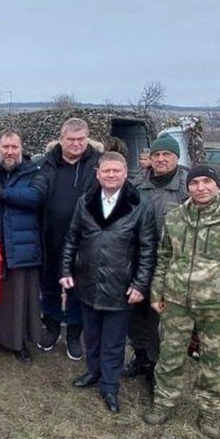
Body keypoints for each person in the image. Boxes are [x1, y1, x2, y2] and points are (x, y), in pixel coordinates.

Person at [143, 165, 220, 438]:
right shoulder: (175, 217)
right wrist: (157, 293)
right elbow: (164, 258)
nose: (201, 187)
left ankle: (208, 412)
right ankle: (163, 403)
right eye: (195, 182)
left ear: (217, 185)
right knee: (169, 355)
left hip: (217, 304)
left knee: (213, 360)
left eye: (207, 181)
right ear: (188, 187)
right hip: (176, 301)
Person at [60, 152, 157, 413]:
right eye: (106, 171)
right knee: (91, 336)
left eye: (116, 170)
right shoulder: (86, 202)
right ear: (98, 174)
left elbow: (148, 250)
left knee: (113, 340)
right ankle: (93, 372)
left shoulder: (140, 205)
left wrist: (140, 285)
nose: (111, 175)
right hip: (87, 282)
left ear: (126, 173)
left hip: (120, 286)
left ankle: (110, 386)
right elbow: (72, 239)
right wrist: (66, 269)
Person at [33, 118, 102, 360]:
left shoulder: (98, 166)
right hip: (49, 239)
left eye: (81, 139)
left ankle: (74, 335)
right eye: (71, 139)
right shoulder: (45, 164)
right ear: (60, 139)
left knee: (77, 291)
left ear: (87, 138)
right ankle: (51, 329)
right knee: (50, 287)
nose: (76, 144)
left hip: (83, 244)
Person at [124, 135, 190, 387]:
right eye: (157, 155)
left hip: (170, 265)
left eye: (167, 155)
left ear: (176, 158)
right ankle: (139, 357)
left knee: (159, 319)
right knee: (135, 314)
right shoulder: (136, 183)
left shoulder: (187, 186)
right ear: (150, 158)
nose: (161, 159)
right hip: (137, 260)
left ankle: (154, 365)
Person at [0, 128, 42, 364]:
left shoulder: (34, 171)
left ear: (21, 149)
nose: (10, 152)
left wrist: (3, 193)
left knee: (19, 297)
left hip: (23, 245)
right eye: (5, 147)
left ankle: (18, 342)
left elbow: (36, 197)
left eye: (14, 147)